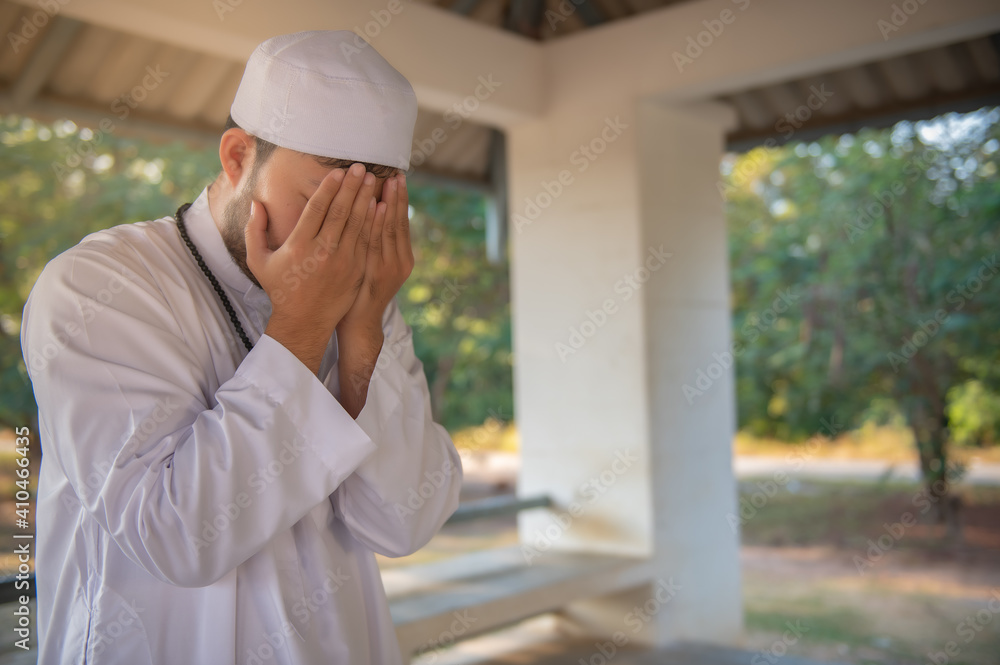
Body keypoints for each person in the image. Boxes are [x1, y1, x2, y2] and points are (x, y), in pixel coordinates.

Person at [21, 30, 463, 664]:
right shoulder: (100, 285)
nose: (344, 240)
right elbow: (179, 539)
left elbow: (403, 524)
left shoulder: (364, 300)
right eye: (322, 204)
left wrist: (362, 333)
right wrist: (303, 325)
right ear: (237, 158)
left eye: (373, 210)